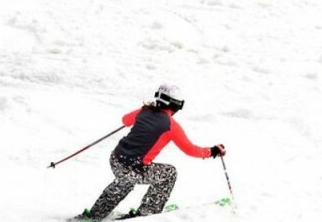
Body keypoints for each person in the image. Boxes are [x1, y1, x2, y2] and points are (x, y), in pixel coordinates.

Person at [72, 84, 226, 221]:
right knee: (168, 174)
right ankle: (148, 212)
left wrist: (145, 111)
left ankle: (95, 214)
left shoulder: (144, 111)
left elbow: (125, 120)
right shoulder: (171, 125)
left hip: (116, 159)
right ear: (177, 105)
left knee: (124, 180)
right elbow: (191, 150)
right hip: (133, 168)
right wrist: (212, 151)